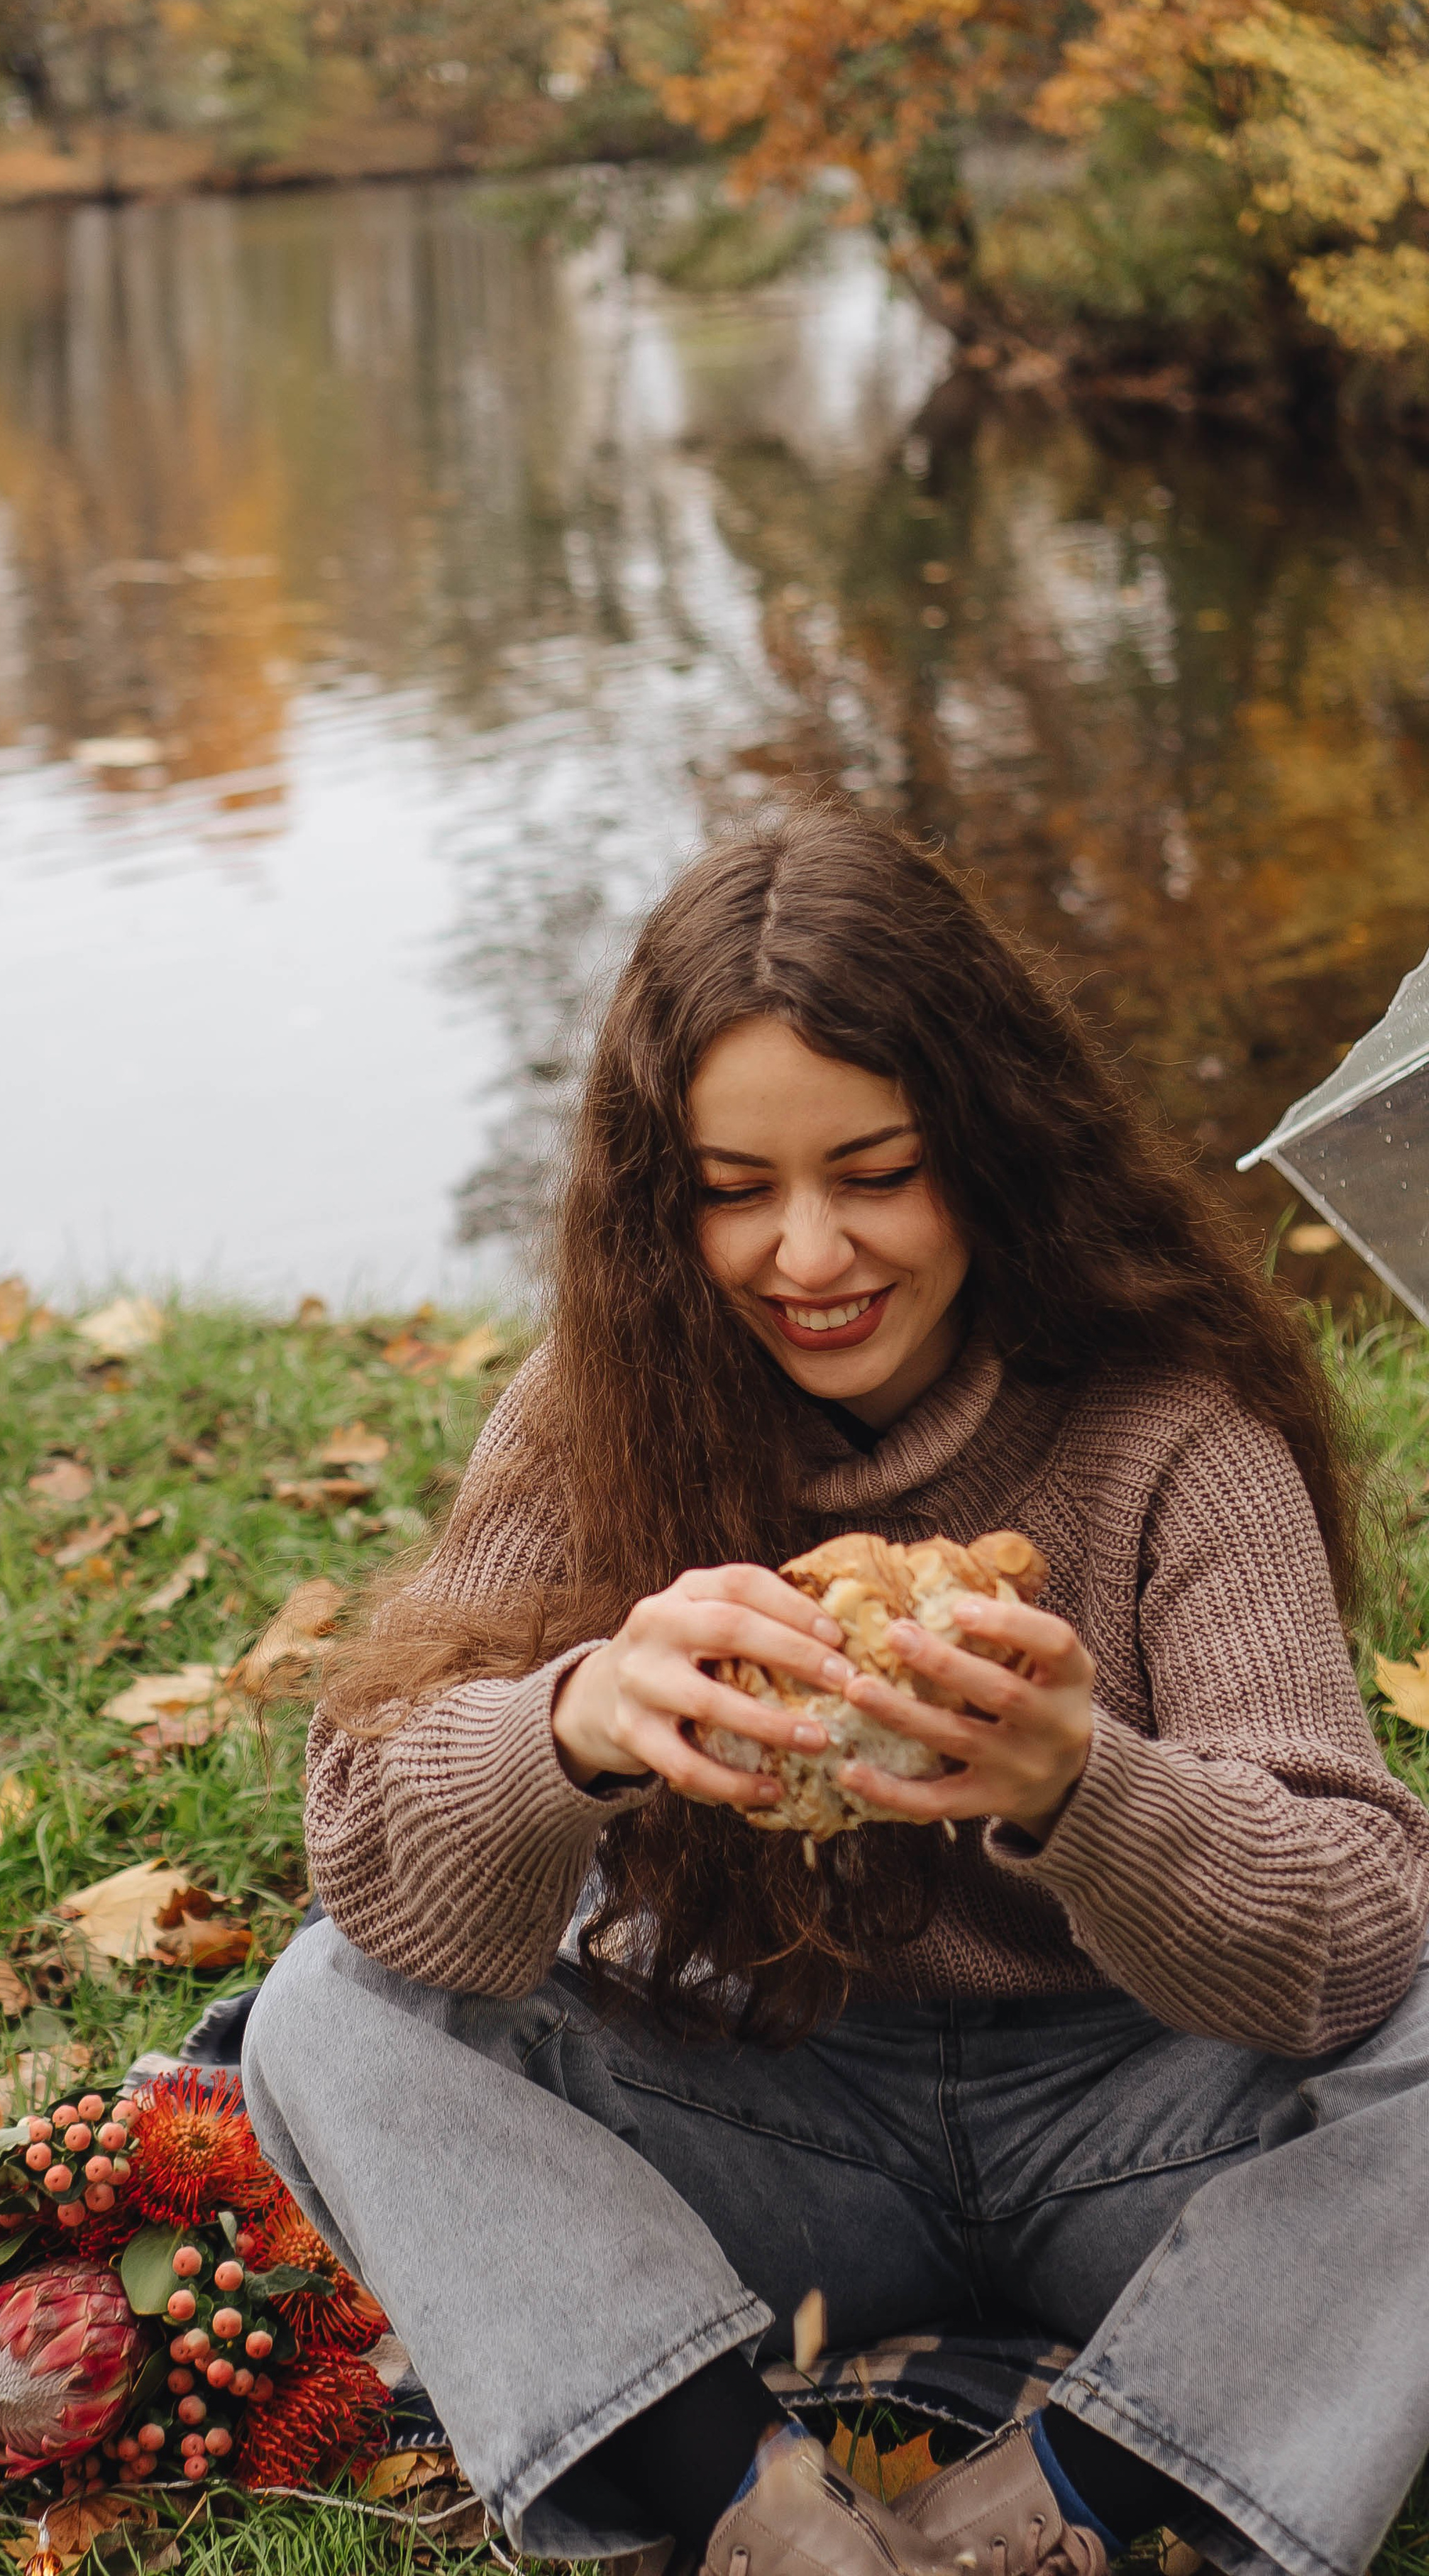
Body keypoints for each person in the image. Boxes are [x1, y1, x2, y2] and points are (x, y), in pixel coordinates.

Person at [240, 811, 1429, 2576]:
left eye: (873, 1173)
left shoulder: (1172, 1428)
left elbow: (1350, 1945)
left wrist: (1080, 1790)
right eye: (737, 1190)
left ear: (990, 1148)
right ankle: (745, 2498)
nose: (808, 1258)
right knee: (330, 2013)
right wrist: (571, 1727)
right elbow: (369, 1852)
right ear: (663, 1199)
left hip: (1147, 2134)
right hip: (767, 2127)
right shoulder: (603, 1406)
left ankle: (1081, 2493)